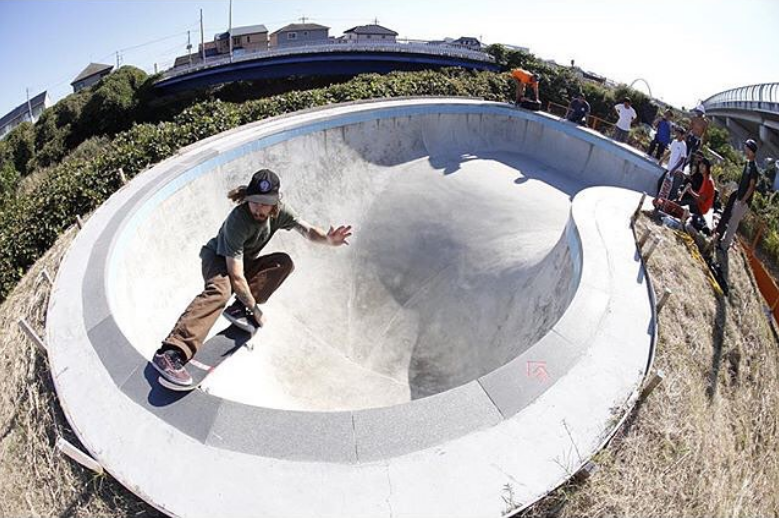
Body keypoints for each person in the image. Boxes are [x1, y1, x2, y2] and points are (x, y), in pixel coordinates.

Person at [151, 169, 353, 387]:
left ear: (275, 203)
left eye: (265, 203)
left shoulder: (280, 212)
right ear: (247, 198)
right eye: (254, 202)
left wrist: (328, 240)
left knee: (282, 262)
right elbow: (236, 277)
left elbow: (307, 230)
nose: (258, 209)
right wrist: (255, 309)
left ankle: (239, 309)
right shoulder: (238, 221)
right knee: (221, 290)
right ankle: (171, 352)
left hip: (244, 263)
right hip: (218, 260)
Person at [715, 139, 760, 252]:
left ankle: (724, 246)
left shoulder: (753, 168)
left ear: (752, 151)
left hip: (743, 201)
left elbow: (751, 186)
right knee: (731, 221)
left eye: (747, 149)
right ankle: (724, 242)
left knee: (732, 224)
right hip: (739, 198)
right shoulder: (748, 164)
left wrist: (743, 200)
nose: (745, 151)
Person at [655, 126, 688, 199]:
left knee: (672, 188)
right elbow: (669, 151)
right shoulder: (674, 141)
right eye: (677, 133)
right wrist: (662, 159)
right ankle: (658, 198)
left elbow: (683, 159)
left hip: (676, 171)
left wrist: (674, 169)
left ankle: (668, 202)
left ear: (682, 135)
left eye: (679, 134)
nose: (677, 135)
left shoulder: (683, 145)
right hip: (669, 167)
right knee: (660, 182)